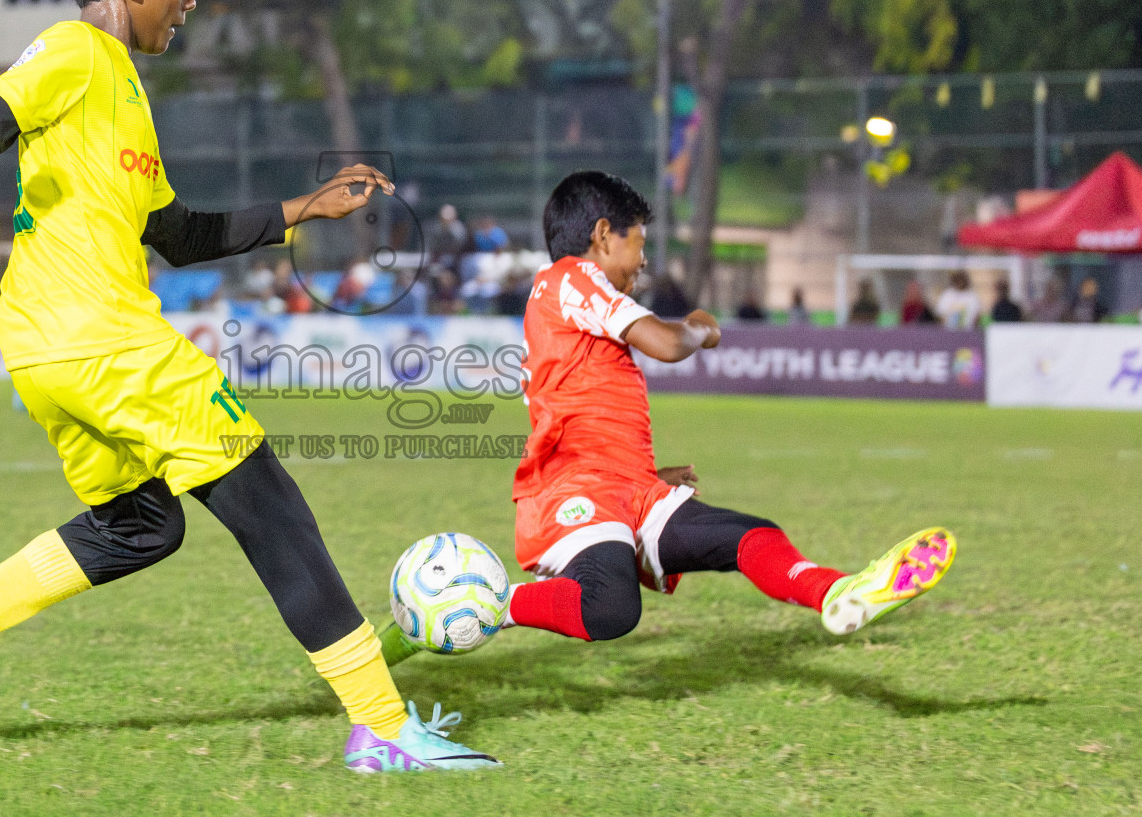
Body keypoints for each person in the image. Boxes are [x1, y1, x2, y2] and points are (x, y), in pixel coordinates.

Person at [0, 0, 496, 773]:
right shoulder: (75, 52)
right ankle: (382, 727)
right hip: (99, 335)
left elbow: (173, 233)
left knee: (140, 525)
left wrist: (301, 208)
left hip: (53, 344)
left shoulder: (119, 90)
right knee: (263, 494)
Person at [380, 172, 956, 667]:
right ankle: (489, 605)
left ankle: (838, 593)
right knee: (611, 606)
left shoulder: (566, 301)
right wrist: (700, 326)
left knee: (749, 534)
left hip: (625, 482)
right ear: (602, 235)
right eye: (638, 242)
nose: (645, 259)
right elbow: (664, 342)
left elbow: (581, 407)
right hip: (576, 488)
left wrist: (650, 471)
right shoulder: (571, 278)